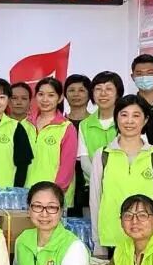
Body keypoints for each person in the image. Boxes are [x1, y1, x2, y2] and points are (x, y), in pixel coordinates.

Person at [89, 95, 153, 255]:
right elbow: (95, 200)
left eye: (136, 115)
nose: (129, 121)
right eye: (124, 115)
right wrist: (97, 240)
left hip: (148, 241)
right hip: (111, 239)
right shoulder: (103, 155)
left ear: (145, 120)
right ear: (116, 118)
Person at [26, 78, 78, 205]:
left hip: (55, 196)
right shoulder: (25, 124)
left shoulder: (66, 127)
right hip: (26, 193)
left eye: (51, 95)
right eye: (41, 94)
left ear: (60, 98)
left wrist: (55, 194)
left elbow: (67, 167)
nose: (45, 99)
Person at [78, 71, 123, 183]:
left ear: (118, 93)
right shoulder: (85, 124)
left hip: (125, 183)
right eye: (98, 89)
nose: (103, 93)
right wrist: (102, 180)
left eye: (109, 89)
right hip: (94, 184)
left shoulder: (128, 120)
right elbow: (84, 161)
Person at [64, 74, 92, 216]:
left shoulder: (94, 124)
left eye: (81, 90)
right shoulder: (60, 123)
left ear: (89, 94)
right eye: (71, 90)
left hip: (88, 180)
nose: (76, 94)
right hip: (65, 181)